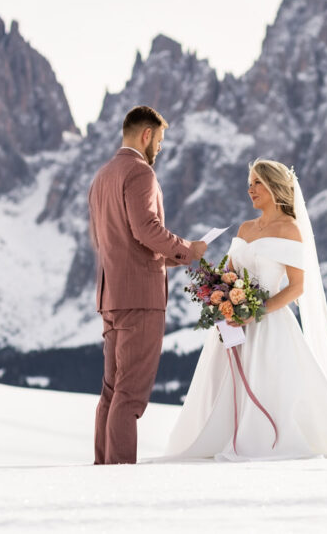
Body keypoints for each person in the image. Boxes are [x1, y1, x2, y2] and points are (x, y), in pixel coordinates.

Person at [160, 158, 327, 460]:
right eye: (249, 183)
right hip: (234, 323)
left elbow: (297, 287)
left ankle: (265, 441)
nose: (250, 189)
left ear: (275, 186)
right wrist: (221, 294)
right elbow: (230, 272)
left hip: (269, 325)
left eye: (257, 183)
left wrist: (255, 312)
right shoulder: (245, 228)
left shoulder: (290, 229)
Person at [87, 105, 207, 464]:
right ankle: (121, 474)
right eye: (160, 140)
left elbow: (123, 241)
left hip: (111, 296)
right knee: (130, 396)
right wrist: (189, 249)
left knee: (112, 392)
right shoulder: (140, 173)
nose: (161, 148)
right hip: (140, 298)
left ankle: (104, 469)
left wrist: (174, 257)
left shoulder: (102, 177)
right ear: (146, 135)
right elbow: (146, 231)